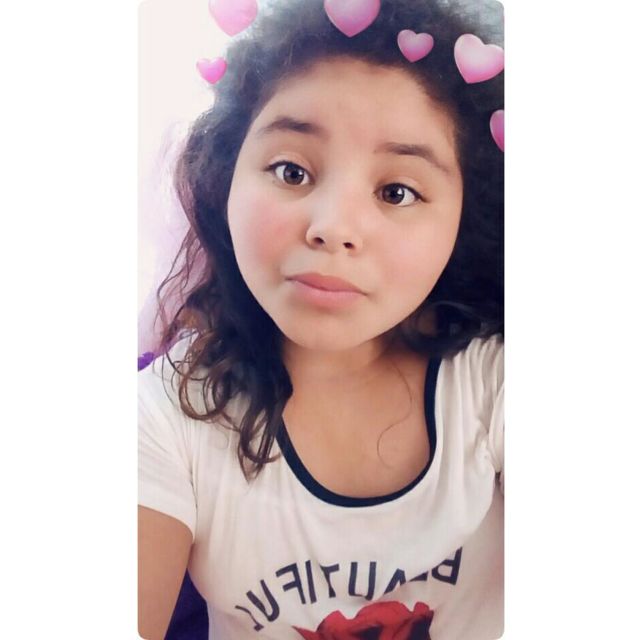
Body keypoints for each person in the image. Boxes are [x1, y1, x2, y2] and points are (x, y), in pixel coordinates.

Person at [138, 0, 504, 638]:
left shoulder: (493, 380)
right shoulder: (169, 410)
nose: (333, 227)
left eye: (396, 192)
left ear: (463, 220)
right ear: (226, 181)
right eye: (292, 171)